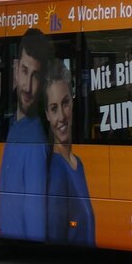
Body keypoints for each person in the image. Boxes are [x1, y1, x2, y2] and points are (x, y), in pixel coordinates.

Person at [0, 28, 53, 241]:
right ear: (15, 69)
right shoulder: (13, 126)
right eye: (24, 70)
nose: (28, 87)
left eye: (36, 76)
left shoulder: (34, 140)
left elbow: (35, 216)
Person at [44, 60, 95, 245]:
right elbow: (55, 237)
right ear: (47, 115)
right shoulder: (57, 170)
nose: (62, 117)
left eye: (65, 103)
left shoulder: (77, 164)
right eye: (53, 108)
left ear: (73, 102)